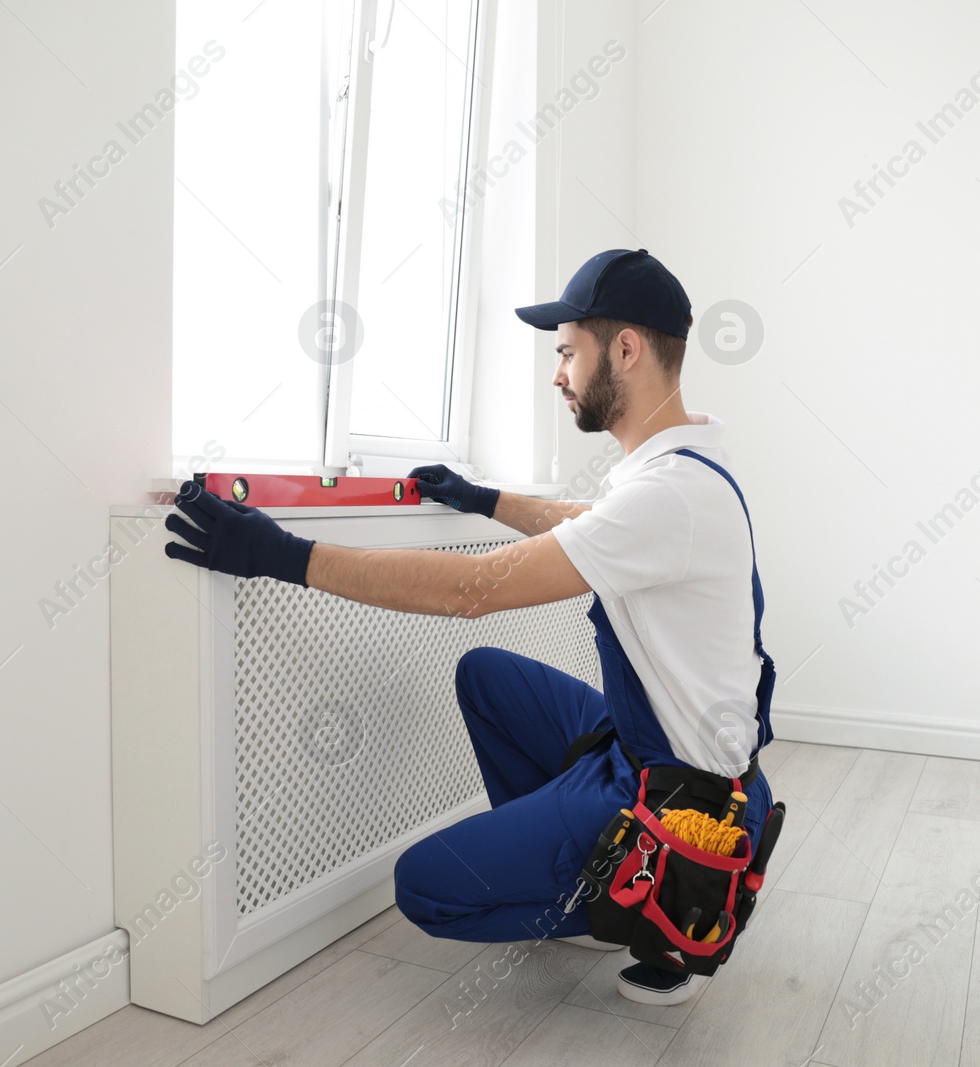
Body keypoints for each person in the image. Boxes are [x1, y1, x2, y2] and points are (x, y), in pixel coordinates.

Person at [165, 248, 776, 1006]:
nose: (558, 374)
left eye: (566, 352)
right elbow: (585, 522)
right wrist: (481, 497)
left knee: (426, 887)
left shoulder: (670, 495)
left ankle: (656, 903)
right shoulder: (678, 472)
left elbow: (468, 590)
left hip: (685, 804)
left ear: (625, 348)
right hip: (656, 749)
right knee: (487, 675)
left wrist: (282, 553)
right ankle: (590, 865)